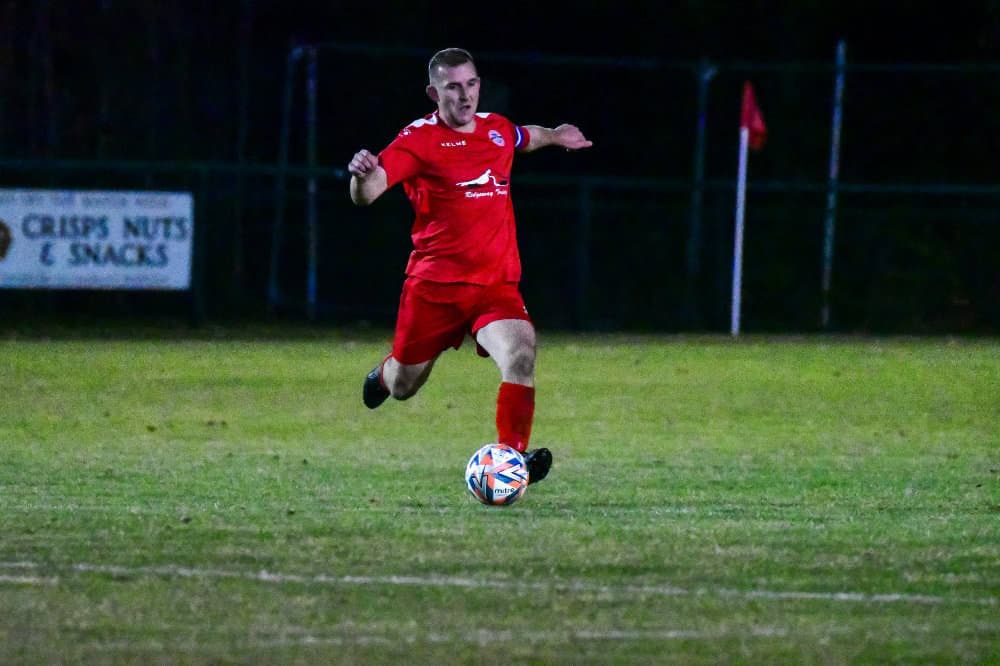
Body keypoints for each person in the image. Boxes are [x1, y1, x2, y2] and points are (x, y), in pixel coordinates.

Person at [347, 47, 592, 486]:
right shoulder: (418, 140)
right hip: (434, 289)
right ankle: (384, 375)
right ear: (433, 93)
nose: (465, 95)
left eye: (472, 84)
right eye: (453, 87)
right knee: (405, 385)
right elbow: (368, 194)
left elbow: (525, 137)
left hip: (495, 286)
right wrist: (361, 175)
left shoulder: (496, 129)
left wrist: (556, 135)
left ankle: (511, 459)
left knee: (520, 352)